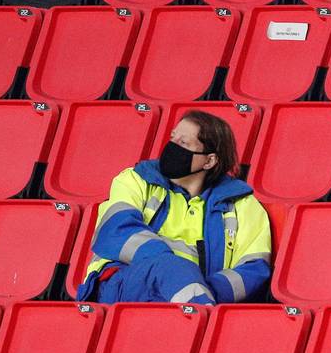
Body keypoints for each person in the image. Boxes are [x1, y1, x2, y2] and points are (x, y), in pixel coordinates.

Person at [76, 111, 272, 304]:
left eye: (183, 143)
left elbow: (253, 269)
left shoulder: (242, 204)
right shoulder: (136, 179)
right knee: (170, 269)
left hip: (192, 293)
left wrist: (197, 284)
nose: (172, 146)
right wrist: (174, 271)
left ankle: (196, 310)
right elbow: (116, 229)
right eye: (172, 138)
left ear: (209, 160)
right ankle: (198, 313)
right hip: (122, 283)